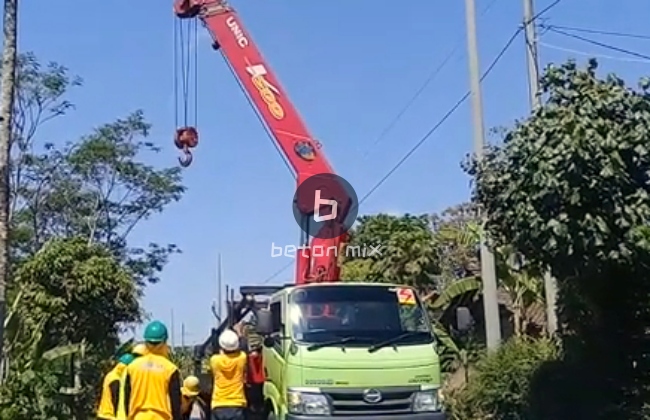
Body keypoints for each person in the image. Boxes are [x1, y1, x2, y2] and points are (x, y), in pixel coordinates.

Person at [124, 320, 183, 420]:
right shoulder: (170, 369)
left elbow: (127, 399)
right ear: (164, 342)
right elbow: (175, 404)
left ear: (146, 342)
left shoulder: (132, 367)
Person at [210, 329, 247, 420]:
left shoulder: (215, 360)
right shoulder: (241, 358)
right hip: (236, 404)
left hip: (218, 404)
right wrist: (239, 333)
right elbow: (244, 347)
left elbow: (216, 352)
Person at [97, 353, 136, 420]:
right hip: (110, 416)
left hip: (102, 414)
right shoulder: (117, 380)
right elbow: (116, 400)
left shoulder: (110, 375)